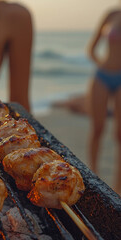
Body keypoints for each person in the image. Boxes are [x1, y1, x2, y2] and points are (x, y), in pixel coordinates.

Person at [88, 7, 121, 193]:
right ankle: (94, 176)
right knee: (98, 128)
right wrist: (101, 65)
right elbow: (91, 49)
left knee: (120, 134)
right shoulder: (111, 14)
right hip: (102, 76)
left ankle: (118, 187)